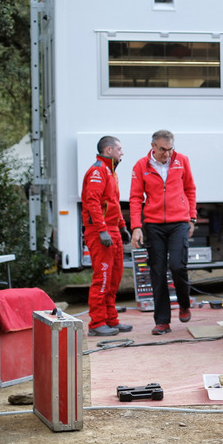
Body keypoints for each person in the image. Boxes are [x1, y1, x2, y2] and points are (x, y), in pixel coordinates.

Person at [130, 130, 197, 335]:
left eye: (170, 150)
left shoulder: (182, 161)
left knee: (177, 266)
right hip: (154, 225)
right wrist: (136, 227)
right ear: (153, 147)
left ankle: (184, 303)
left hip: (179, 223)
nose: (167, 154)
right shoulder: (141, 165)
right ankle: (162, 321)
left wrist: (192, 218)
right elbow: (135, 198)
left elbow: (190, 189)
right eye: (162, 150)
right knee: (157, 272)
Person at [81, 136, 133, 337]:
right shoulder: (97, 171)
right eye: (119, 148)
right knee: (102, 278)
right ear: (109, 150)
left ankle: (111, 320)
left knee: (114, 278)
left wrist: (122, 226)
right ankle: (96, 323)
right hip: (100, 231)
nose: (122, 152)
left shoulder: (111, 172)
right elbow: (92, 202)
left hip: (111, 230)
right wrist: (102, 230)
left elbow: (113, 202)